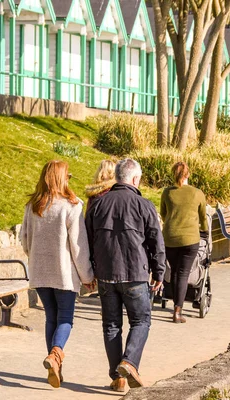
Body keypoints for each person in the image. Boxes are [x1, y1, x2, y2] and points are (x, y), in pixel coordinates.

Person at [85, 158, 166, 392]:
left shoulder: (98, 205)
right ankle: (129, 362)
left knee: (111, 325)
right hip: (135, 273)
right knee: (141, 320)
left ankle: (118, 377)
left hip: (107, 275)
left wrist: (91, 270)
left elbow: (87, 241)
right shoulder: (144, 205)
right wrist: (159, 271)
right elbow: (156, 242)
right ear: (135, 179)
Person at [20, 160, 95, 389]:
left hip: (40, 273)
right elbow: (79, 247)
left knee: (51, 317)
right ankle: (55, 356)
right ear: (62, 179)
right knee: (65, 319)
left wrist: (35, 257)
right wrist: (87, 276)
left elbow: (24, 240)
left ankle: (55, 367)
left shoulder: (32, 207)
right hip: (63, 273)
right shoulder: (71, 206)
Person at [160, 162, 208, 323]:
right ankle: (177, 311)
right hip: (190, 239)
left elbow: (163, 214)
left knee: (174, 271)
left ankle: (175, 305)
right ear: (188, 174)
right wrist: (205, 231)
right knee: (183, 273)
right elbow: (203, 217)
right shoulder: (197, 193)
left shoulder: (167, 193)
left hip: (170, 237)